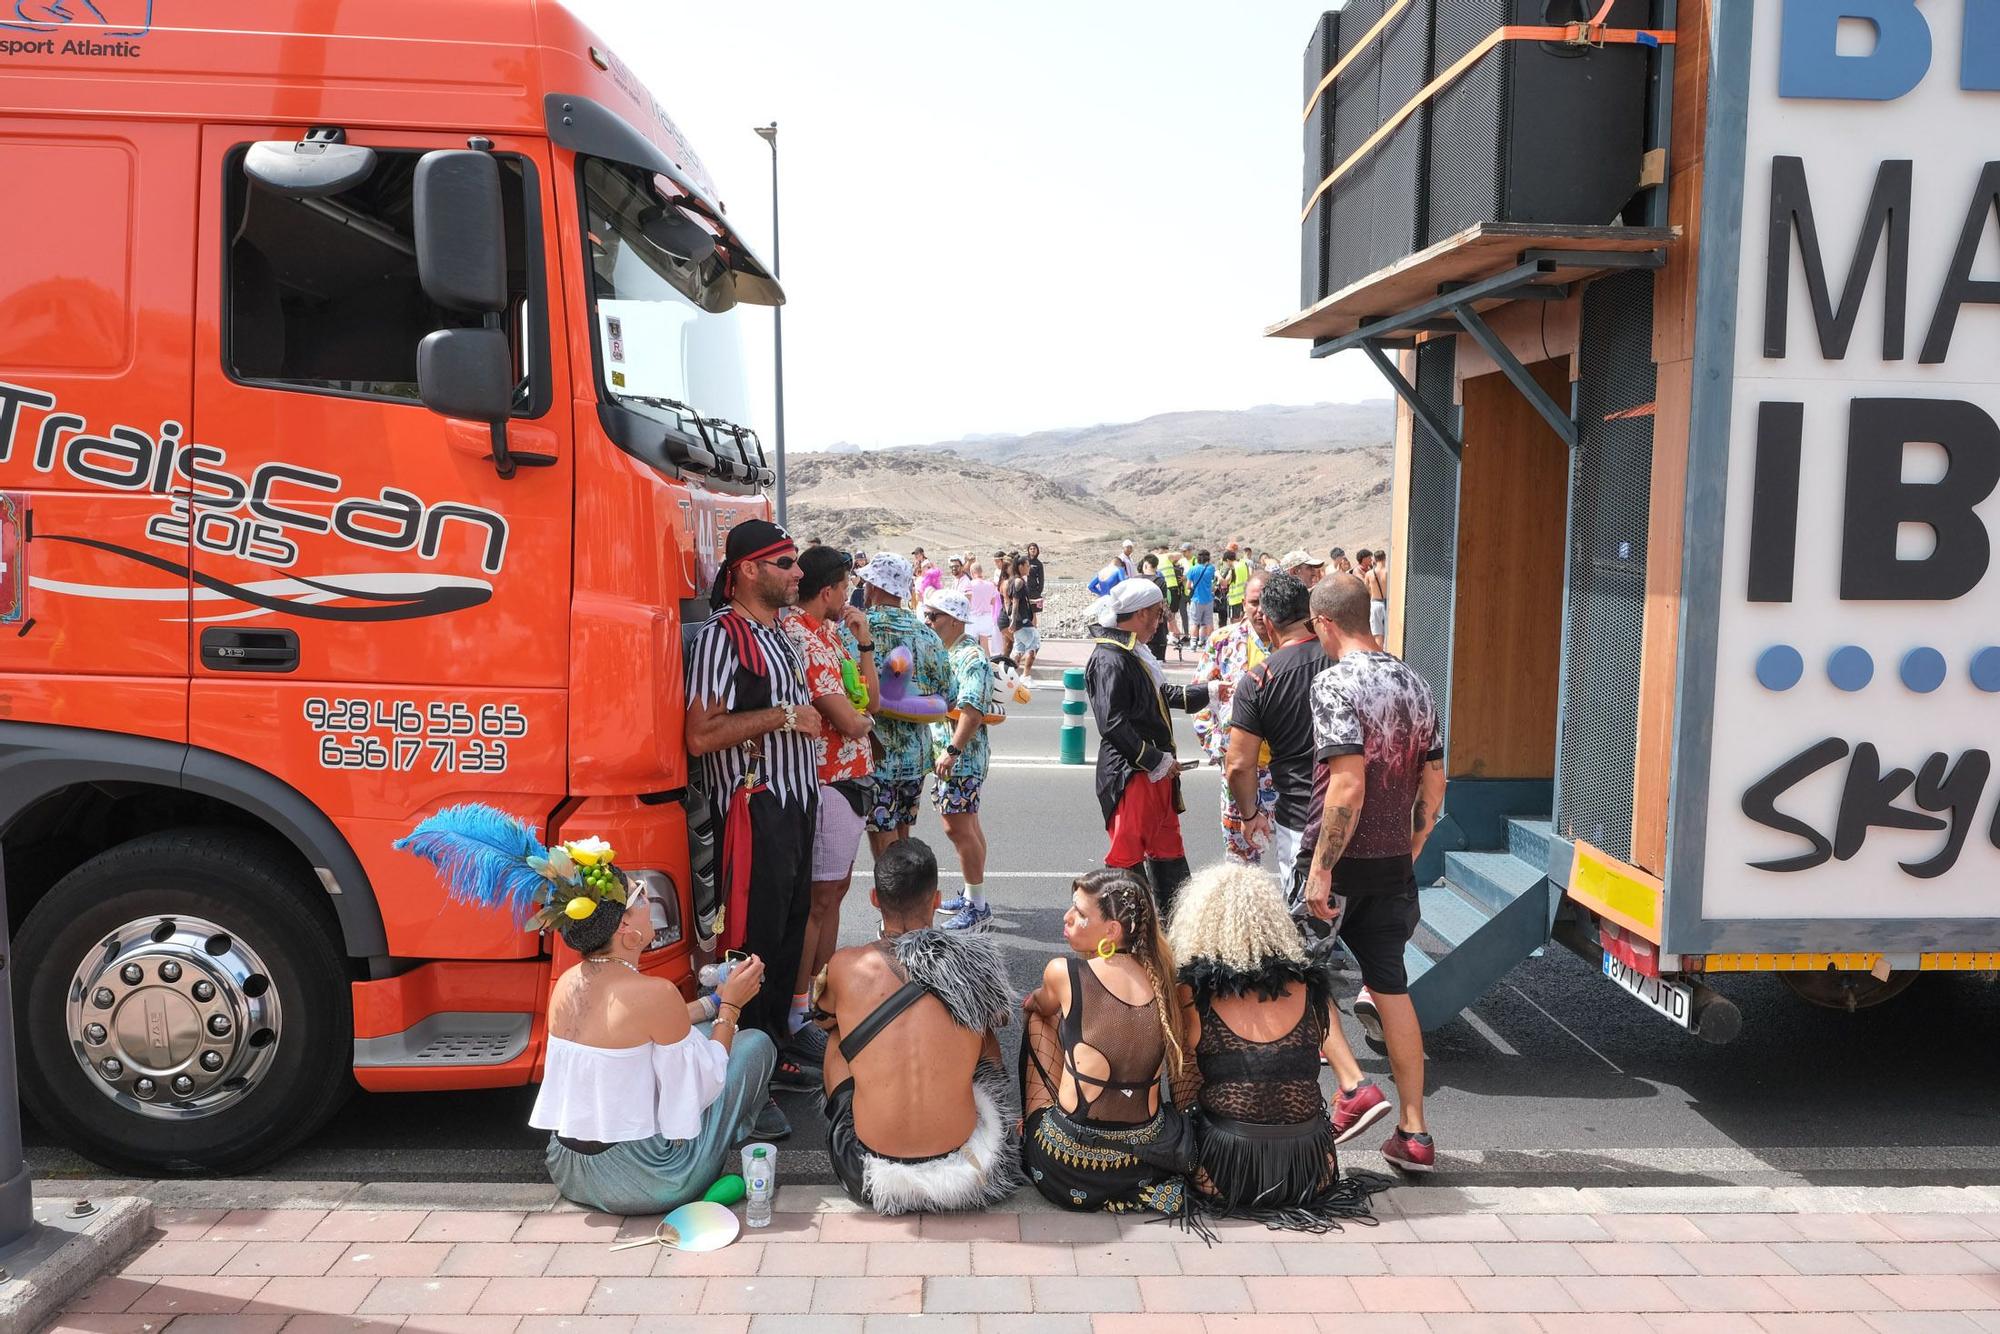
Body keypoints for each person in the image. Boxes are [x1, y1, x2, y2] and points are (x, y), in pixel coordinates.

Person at [1301, 574, 1446, 1173]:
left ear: (1326, 623)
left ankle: (1354, 1085)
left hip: (1342, 861)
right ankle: (1415, 1132)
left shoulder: (1334, 684)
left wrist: (1321, 869)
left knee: (1294, 975)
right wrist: (1412, 843)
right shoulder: (1416, 682)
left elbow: (1348, 783)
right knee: (1391, 985)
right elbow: (1433, 787)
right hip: (1392, 860)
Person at [684, 518, 821, 1140]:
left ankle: (771, 1053)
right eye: (786, 562)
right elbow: (701, 733)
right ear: (747, 570)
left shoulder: (781, 635)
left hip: (794, 806)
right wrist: (786, 715)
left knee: (787, 936)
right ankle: (744, 1082)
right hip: (753, 808)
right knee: (750, 945)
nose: (798, 573)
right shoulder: (722, 638)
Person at [535, 879, 776, 1213]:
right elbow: (707, 1082)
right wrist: (731, 1008)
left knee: (704, 1030)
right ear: (625, 929)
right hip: (649, 1177)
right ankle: (745, 1120)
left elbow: (641, 1027)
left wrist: (714, 1002)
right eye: (641, 896)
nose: (650, 901)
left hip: (568, 1169)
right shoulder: (655, 993)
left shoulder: (567, 981)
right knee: (754, 1045)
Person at [1169, 863, 1389, 1229]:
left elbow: (1183, 1075)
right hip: (1310, 1171)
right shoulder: (1309, 984)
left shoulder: (1193, 991)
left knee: (1183, 1061)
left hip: (1224, 1176)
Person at [812, 838, 1023, 1213]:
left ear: (875, 899)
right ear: (938, 899)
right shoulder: (974, 961)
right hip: (971, 1167)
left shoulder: (845, 965)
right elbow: (1001, 1016)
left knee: (837, 1035)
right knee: (983, 1033)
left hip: (867, 1174)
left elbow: (823, 1013)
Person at [1019, 867, 1194, 1217]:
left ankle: (1028, 1127)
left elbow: (1038, 1004)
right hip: (1142, 1162)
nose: (1067, 918)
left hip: (1068, 1166)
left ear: (1111, 931)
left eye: (1080, 914)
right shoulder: (1167, 980)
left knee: (1041, 1019)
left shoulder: (1064, 973)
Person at [775, 545, 882, 1090]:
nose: (850, 596)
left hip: (847, 779)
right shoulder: (802, 635)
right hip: (829, 780)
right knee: (819, 899)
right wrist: (858, 719)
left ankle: (813, 1000)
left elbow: (873, 701)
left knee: (832, 893)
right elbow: (848, 717)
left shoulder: (833, 633)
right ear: (828, 590)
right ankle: (799, 1011)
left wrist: (863, 641)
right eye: (845, 587)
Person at [1086, 579, 1208, 913]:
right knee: (1127, 855)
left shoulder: (1132, 651)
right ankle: (1131, 937)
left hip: (1156, 773)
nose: (1160, 624)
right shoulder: (1111, 658)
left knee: (1168, 848)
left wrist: (1210, 691)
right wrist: (1154, 760)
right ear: (1141, 614)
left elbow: (1159, 695)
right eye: (1157, 615)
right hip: (1132, 774)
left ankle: (1177, 933)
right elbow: (1112, 723)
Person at [858, 554, 951, 855]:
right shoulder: (928, 634)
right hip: (915, 757)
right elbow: (947, 692)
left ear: (872, 587)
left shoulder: (859, 628)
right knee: (902, 834)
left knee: (882, 841)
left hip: (875, 755)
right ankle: (906, 896)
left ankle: (891, 899)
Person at [921, 589, 996, 931]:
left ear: (953, 620)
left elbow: (972, 710)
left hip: (960, 758)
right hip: (953, 756)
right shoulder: (950, 651)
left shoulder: (970, 657)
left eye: (933, 616)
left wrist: (952, 751)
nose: (928, 622)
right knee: (967, 825)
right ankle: (972, 895)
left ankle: (977, 906)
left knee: (958, 827)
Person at [1191, 570, 1274, 867]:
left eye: (1266, 602)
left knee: (1298, 853)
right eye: (1254, 603)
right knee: (1240, 858)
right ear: (1243, 603)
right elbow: (1200, 699)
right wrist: (1218, 748)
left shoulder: (1297, 643)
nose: (1260, 611)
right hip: (1241, 769)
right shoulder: (1223, 641)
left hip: (1286, 772)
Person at [1006, 556, 1041, 672]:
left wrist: (1033, 602)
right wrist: (1013, 621)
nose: (1029, 568)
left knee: (1019, 649)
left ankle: (1011, 674)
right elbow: (1015, 602)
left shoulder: (1016, 580)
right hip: (1022, 620)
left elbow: (1020, 600)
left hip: (1021, 620)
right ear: (1020, 566)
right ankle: (1026, 675)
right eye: (1027, 565)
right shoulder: (1018, 581)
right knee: (1034, 645)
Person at [960, 560, 1002, 654]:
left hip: (973, 617)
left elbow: (966, 600)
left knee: (972, 644)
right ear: (981, 572)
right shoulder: (990, 585)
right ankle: (987, 665)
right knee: (985, 643)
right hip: (986, 617)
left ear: (972, 572)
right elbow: (993, 601)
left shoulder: (970, 584)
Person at [1138, 554, 1170, 661]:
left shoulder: (1135, 579)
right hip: (1156, 623)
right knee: (1157, 659)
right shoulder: (1160, 582)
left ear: (1145, 565)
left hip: (1138, 620)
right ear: (1156, 566)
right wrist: (1172, 622)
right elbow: (1164, 604)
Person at [1364, 550, 1389, 640]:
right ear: (1385, 558)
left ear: (1374, 559)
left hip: (1375, 603)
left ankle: (1379, 653)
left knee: (1378, 635)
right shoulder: (1389, 572)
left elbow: (1366, 589)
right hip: (1388, 603)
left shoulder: (1369, 574)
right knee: (1390, 632)